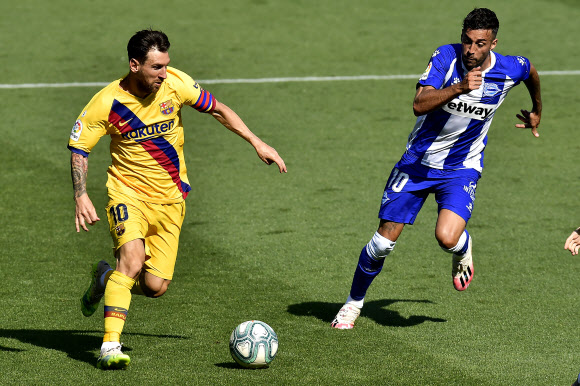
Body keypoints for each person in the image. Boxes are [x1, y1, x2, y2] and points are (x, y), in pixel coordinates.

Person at [69, 29, 287, 369]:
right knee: (132, 258)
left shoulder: (176, 85)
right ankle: (110, 346)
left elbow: (218, 109)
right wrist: (81, 194)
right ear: (135, 64)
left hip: (171, 200)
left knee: (155, 286)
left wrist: (256, 142)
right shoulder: (107, 102)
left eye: (166, 65)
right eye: (156, 67)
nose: (164, 73)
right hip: (127, 193)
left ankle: (104, 280)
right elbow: (80, 148)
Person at [331, 8, 542, 329]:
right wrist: (459, 87)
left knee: (446, 238)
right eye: (467, 41)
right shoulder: (446, 57)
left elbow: (530, 72)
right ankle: (353, 303)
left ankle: (463, 247)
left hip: (462, 168)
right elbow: (419, 104)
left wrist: (537, 111)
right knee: (382, 243)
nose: (472, 50)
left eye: (480, 44)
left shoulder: (510, 68)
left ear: (493, 44)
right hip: (417, 164)